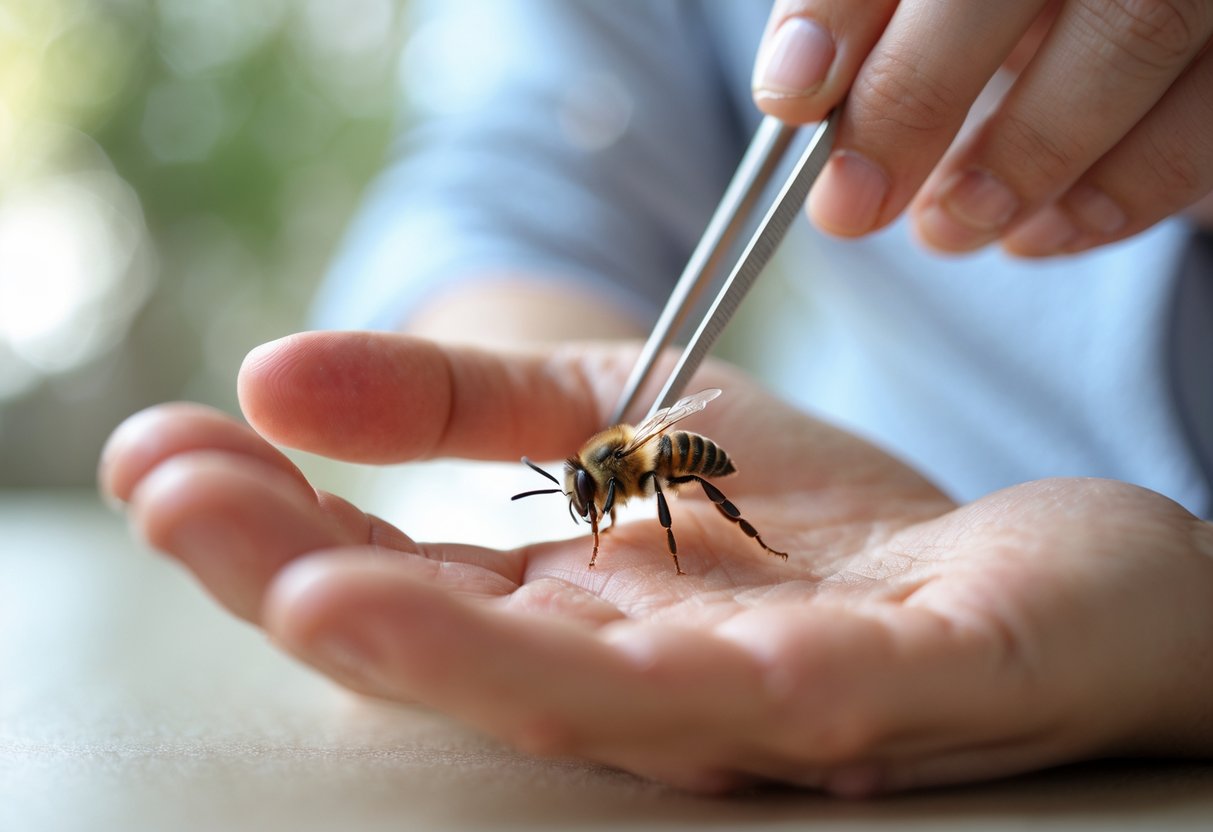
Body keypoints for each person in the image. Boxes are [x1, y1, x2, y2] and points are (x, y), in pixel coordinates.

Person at [99, 1, 1213, 796]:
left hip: (988, 576)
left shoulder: (646, 467)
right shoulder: (615, 470)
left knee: (683, 485)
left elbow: (657, 472)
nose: (591, 500)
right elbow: (512, 176)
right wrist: (514, 420)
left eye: (586, 493)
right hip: (915, 540)